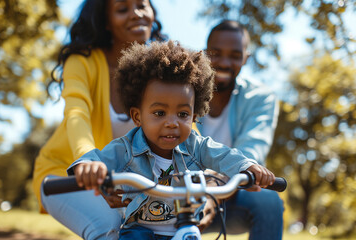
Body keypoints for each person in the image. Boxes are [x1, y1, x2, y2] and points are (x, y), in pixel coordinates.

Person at [68, 40, 277, 240]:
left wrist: (246, 166)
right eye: (159, 113)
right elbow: (97, 159)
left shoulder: (196, 146)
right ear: (137, 116)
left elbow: (223, 155)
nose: (172, 123)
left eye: (183, 114)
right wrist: (88, 167)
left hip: (186, 226)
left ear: (194, 116)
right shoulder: (126, 148)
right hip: (141, 229)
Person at [32, 0, 166, 239]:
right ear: (106, 22)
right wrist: (87, 159)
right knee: (109, 226)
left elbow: (185, 127)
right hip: (64, 174)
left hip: (124, 182)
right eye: (122, 9)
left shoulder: (162, 70)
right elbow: (76, 112)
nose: (136, 14)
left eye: (142, 5)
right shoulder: (83, 61)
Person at [196, 20, 284, 239]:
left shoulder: (261, 97)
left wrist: (214, 186)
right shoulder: (185, 90)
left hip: (230, 192)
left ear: (246, 57)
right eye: (215, 53)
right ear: (204, 53)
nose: (224, 63)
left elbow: (252, 150)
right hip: (180, 186)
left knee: (268, 202)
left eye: (235, 55)